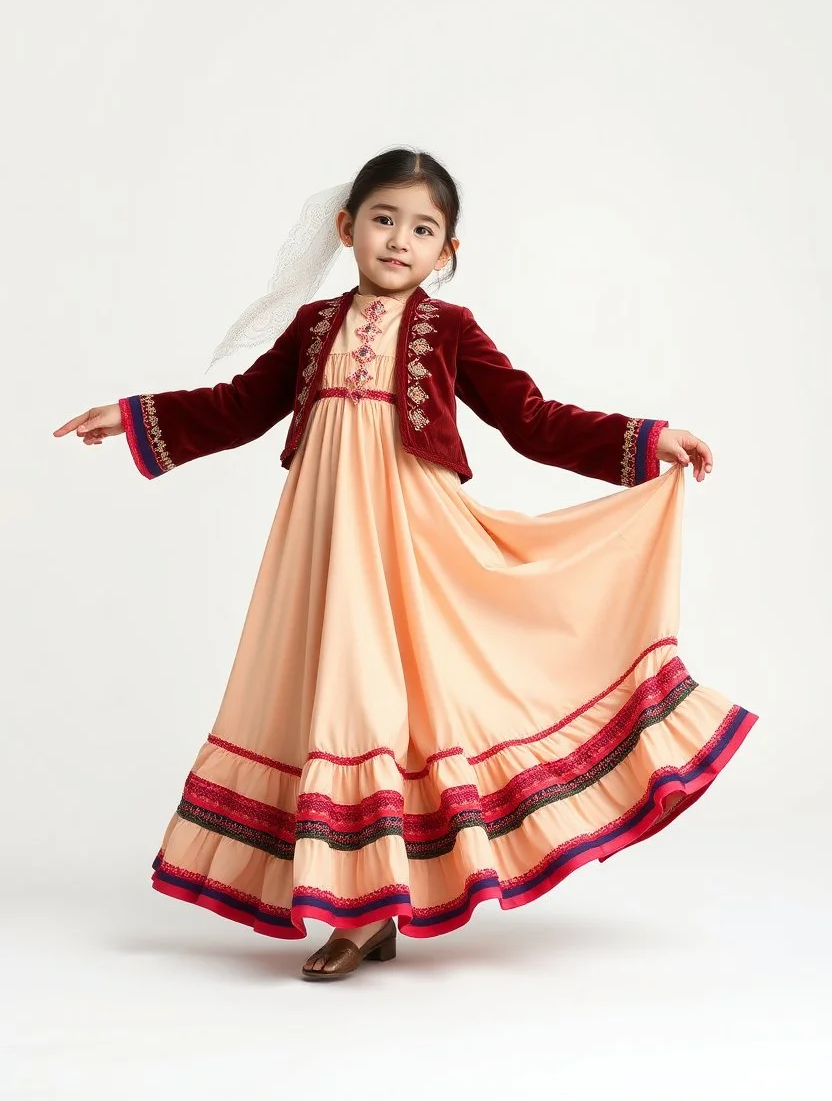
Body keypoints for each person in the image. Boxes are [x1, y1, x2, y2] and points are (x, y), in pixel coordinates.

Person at [54, 147, 757, 982]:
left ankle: (367, 907)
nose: (400, 240)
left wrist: (642, 440)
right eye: (384, 220)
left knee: (394, 699)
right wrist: (133, 416)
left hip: (415, 543)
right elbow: (238, 407)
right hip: (325, 542)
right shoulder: (315, 327)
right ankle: (363, 905)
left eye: (423, 229)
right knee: (341, 693)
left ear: (446, 253)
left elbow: (530, 418)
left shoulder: (449, 330)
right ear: (348, 227)